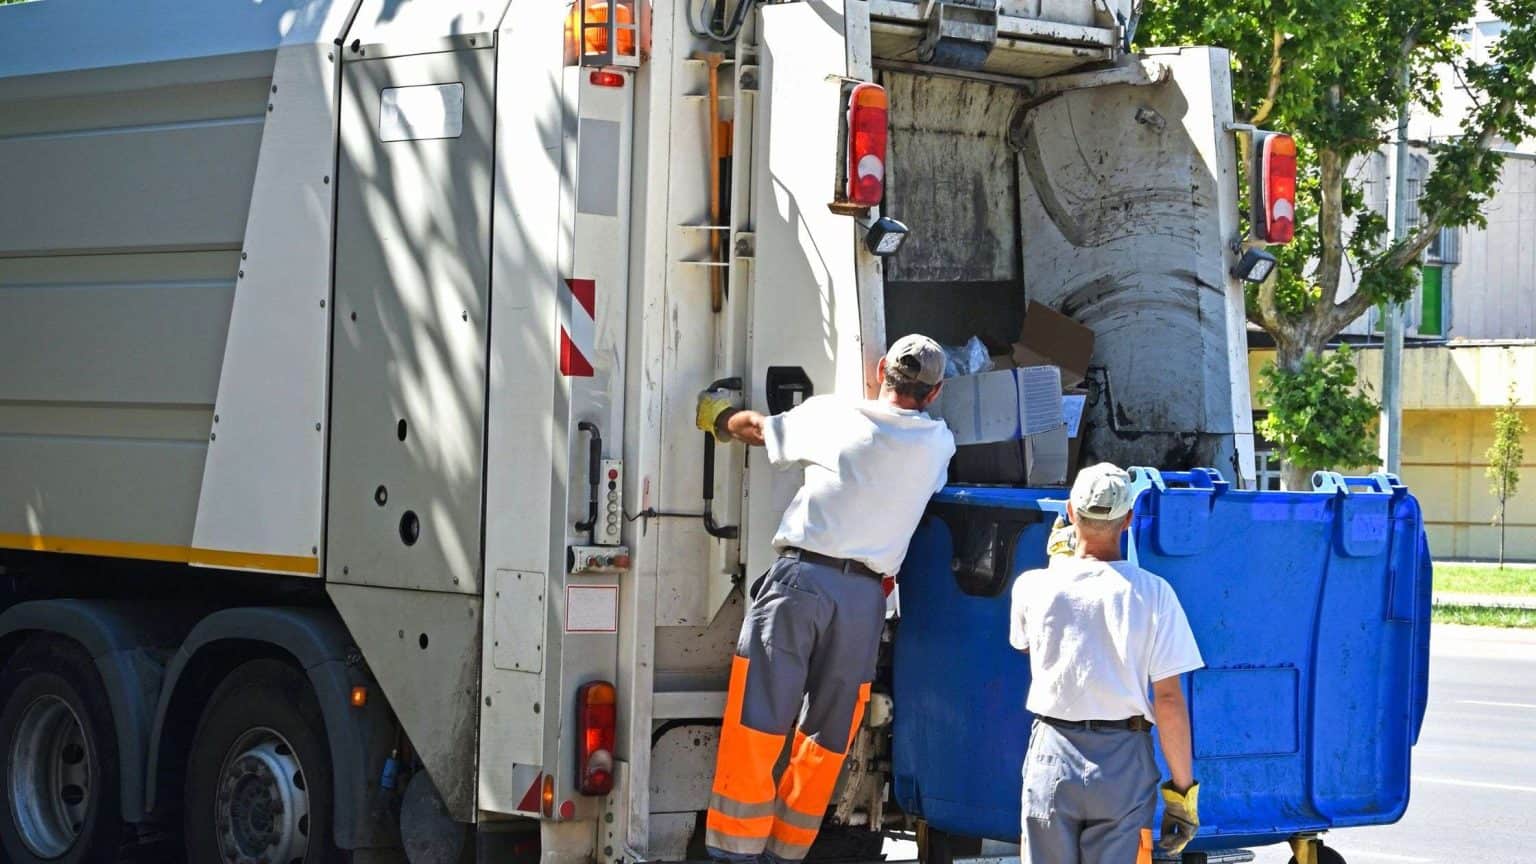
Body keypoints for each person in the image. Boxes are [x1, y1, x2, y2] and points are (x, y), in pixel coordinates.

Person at [694, 335, 956, 864]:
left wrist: (718, 418)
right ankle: (787, 853)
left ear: (880, 368)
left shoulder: (835, 416)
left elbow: (759, 430)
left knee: (759, 718)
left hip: (801, 584)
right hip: (864, 602)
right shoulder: (938, 445)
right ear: (935, 392)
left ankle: (734, 853)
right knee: (827, 736)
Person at [1009, 463, 1204, 864]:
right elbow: (1168, 701)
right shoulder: (1155, 595)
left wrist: (1059, 566)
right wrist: (1183, 794)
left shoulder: (1033, 586)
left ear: (1069, 512)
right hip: (1123, 760)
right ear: (1129, 519)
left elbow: (1027, 646)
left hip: (1053, 753)